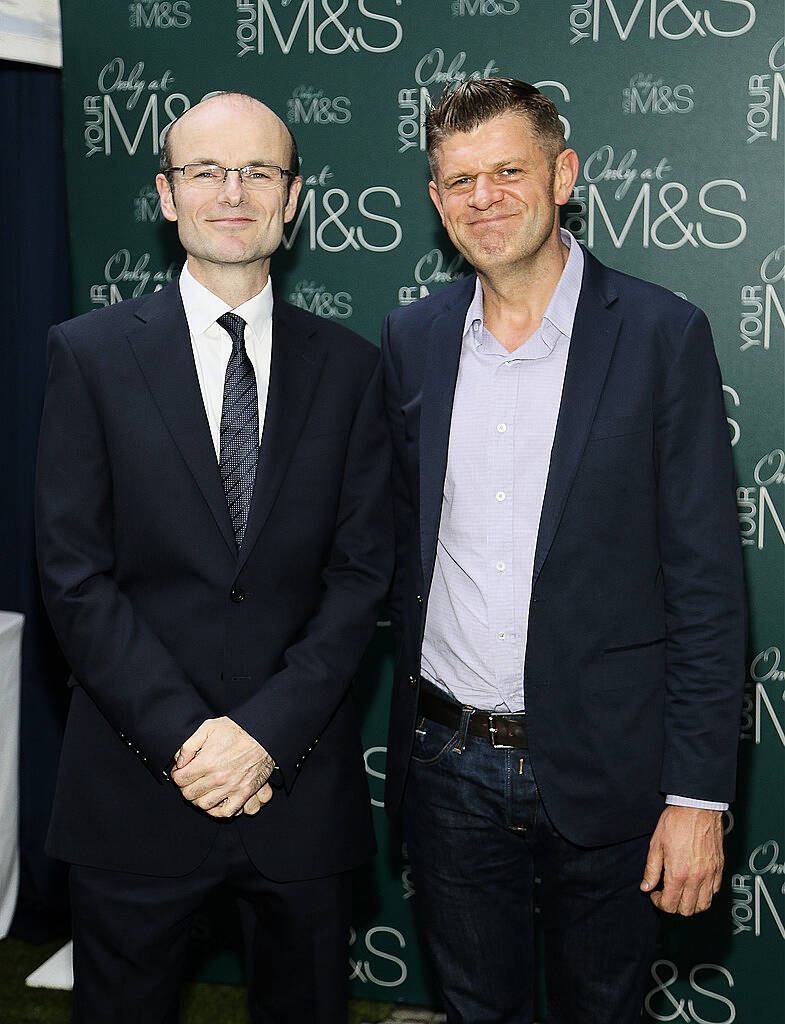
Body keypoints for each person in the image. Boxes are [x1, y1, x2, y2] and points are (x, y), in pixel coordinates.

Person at [381, 78, 745, 1024]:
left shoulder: (663, 335)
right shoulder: (411, 339)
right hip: (446, 764)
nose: (483, 197)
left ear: (564, 175)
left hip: (608, 769)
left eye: (508, 170)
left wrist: (697, 797)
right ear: (434, 200)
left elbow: (706, 585)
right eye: (458, 179)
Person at [36, 91, 392, 1024]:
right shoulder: (88, 355)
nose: (231, 191)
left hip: (298, 789)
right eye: (204, 171)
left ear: (293, 199)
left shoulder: (354, 371)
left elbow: (360, 579)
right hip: (134, 785)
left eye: (258, 172)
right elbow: (73, 575)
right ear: (166, 194)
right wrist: (193, 742)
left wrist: (264, 735)